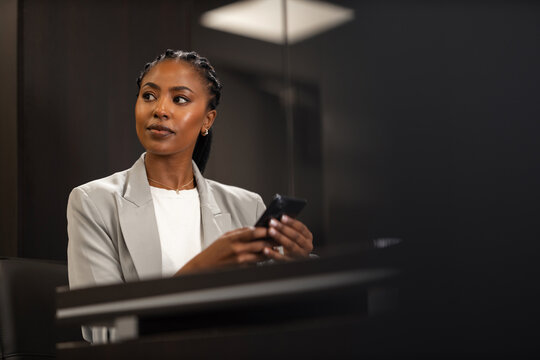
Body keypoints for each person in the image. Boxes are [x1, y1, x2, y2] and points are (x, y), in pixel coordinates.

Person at [67, 49, 314, 311]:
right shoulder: (93, 202)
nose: (160, 109)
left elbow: (274, 310)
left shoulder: (247, 206)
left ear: (208, 119)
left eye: (180, 99)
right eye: (148, 96)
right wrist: (201, 270)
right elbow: (102, 325)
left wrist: (298, 262)